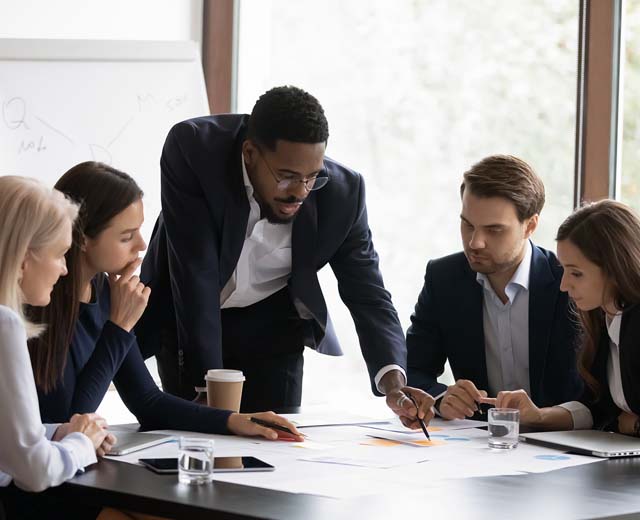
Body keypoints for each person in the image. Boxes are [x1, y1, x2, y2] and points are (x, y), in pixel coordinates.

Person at [137, 85, 433, 426]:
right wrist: (208, 387)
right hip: (190, 319)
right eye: (287, 177)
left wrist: (395, 384)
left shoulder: (343, 194)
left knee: (278, 444)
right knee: (196, 442)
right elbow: (195, 273)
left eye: (312, 177)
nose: (300, 192)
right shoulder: (194, 150)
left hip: (273, 327)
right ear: (249, 154)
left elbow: (368, 293)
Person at [28, 161, 303, 442]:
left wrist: (235, 420)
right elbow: (67, 423)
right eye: (126, 237)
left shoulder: (107, 292)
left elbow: (146, 401)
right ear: (82, 238)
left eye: (138, 230)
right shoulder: (40, 301)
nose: (142, 245)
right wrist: (119, 327)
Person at [406, 155, 583, 420]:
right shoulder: (443, 278)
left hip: (560, 442)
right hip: (477, 445)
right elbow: (412, 369)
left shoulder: (568, 283)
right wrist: (442, 399)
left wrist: (543, 417)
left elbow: (597, 393)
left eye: (494, 230)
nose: (475, 242)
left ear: (530, 226)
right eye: (468, 225)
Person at [0, 176, 114, 518]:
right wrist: (82, 444)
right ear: (23, 259)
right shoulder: (4, 325)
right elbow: (34, 471)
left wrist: (59, 432)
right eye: (60, 254)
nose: (65, 270)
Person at [488, 200, 640, 435]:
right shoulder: (603, 319)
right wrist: (538, 416)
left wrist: (636, 426)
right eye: (564, 270)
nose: (563, 285)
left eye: (576, 273)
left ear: (615, 268)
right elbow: (596, 408)